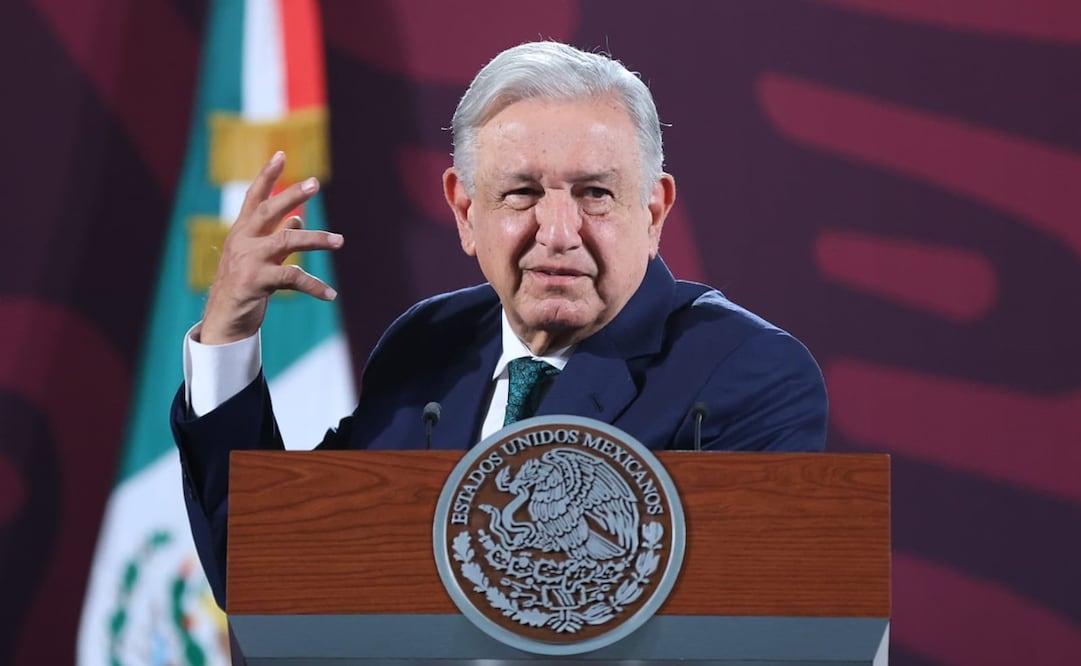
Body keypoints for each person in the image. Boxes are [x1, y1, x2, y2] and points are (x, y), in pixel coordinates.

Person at [172, 41, 828, 606]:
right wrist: (227, 341)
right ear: (464, 210)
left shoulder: (745, 373)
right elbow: (272, 577)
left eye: (594, 194)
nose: (559, 233)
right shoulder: (426, 347)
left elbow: (734, 628)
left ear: (652, 212)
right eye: (522, 194)